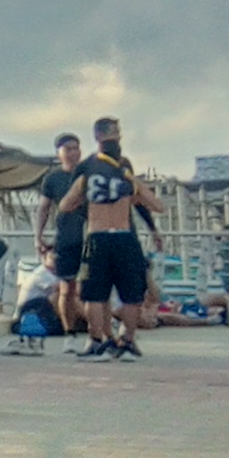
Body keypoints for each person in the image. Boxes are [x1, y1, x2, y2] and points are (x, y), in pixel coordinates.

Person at [58, 117, 166, 361]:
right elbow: (157, 205)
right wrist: (133, 187)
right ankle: (127, 341)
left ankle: (97, 341)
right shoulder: (125, 170)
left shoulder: (87, 170)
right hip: (124, 236)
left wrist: (84, 200)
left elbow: (64, 205)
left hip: (97, 236)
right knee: (131, 294)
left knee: (94, 294)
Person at [33, 134, 89, 344]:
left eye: (76, 148)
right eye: (68, 149)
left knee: (94, 288)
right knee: (67, 288)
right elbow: (44, 208)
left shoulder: (89, 173)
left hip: (91, 236)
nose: (73, 153)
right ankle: (70, 334)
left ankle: (100, 333)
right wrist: (38, 237)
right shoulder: (53, 178)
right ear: (59, 153)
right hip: (66, 238)